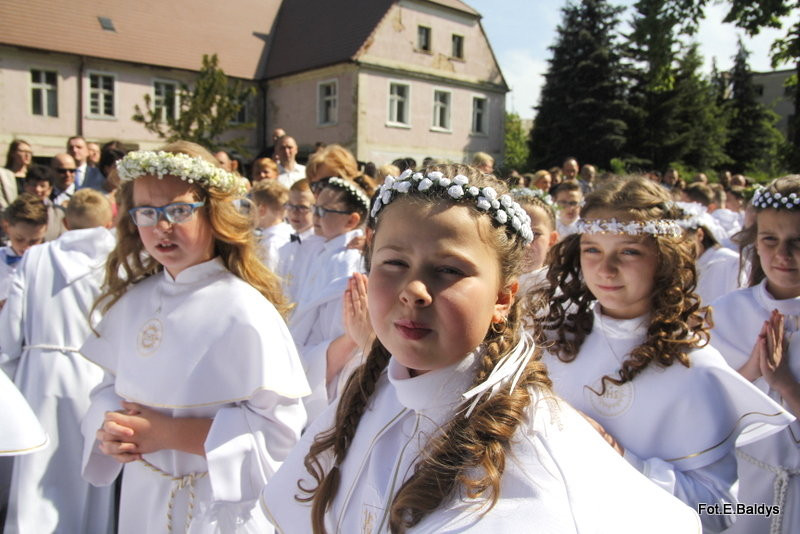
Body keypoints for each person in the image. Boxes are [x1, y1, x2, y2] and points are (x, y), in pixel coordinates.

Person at [262, 165, 701, 533]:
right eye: (393, 263)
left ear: (503, 298)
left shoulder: (534, 458)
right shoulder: (369, 391)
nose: (414, 290)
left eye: (449, 269)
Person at [535, 176, 792, 532]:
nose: (605, 269)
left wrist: (621, 458)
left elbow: (717, 509)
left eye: (628, 251)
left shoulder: (693, 366)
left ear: (664, 257)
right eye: (592, 249)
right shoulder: (551, 342)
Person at [79, 142, 310, 533]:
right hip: (143, 493)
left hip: (215, 506)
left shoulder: (244, 309)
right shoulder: (135, 302)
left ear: (214, 212)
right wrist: (109, 426)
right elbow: (108, 388)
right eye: (147, 213)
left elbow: (279, 434)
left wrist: (168, 433)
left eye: (179, 210)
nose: (161, 226)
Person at [0, 189, 116, 534]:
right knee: (86, 465)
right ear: (108, 222)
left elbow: (11, 329)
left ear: (64, 223)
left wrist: (9, 367)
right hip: (94, 373)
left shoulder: (36, 256)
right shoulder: (117, 259)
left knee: (37, 469)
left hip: (41, 372)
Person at [710, 175, 800, 534]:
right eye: (770, 240)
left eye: (798, 242)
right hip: (750, 488)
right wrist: (750, 370)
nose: (783, 255)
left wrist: (786, 385)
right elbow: (704, 410)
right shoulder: (727, 313)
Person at [288, 177, 369, 422]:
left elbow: (339, 326)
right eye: (315, 208)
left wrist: (317, 363)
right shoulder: (324, 248)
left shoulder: (348, 260)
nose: (316, 216)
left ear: (351, 220)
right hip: (310, 357)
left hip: (330, 371)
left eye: (324, 211)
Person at [677, 201, 743, 305]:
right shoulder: (679, 268)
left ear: (699, 235)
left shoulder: (731, 263)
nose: (678, 248)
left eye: (684, 241)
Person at [0, 194, 47, 304]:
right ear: (6, 227)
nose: (27, 247)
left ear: (45, 229)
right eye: (19, 239)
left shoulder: (52, 264)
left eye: (34, 241)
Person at [511, 187, 559, 293]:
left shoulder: (557, 294)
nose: (525, 243)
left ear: (552, 240)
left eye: (534, 234)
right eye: (515, 232)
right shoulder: (492, 283)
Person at [275, 179, 316, 301]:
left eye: (302, 207)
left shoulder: (318, 248)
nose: (293, 212)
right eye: (290, 205)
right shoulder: (286, 247)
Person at [250, 180, 292, 272]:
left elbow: (267, 277)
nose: (250, 212)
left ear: (262, 209)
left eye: (252, 206)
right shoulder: (290, 232)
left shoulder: (269, 245)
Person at [22, 164, 66, 242]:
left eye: (42, 186)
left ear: (50, 189)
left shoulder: (59, 213)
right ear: (26, 185)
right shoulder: (14, 211)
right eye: (33, 185)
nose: (37, 189)